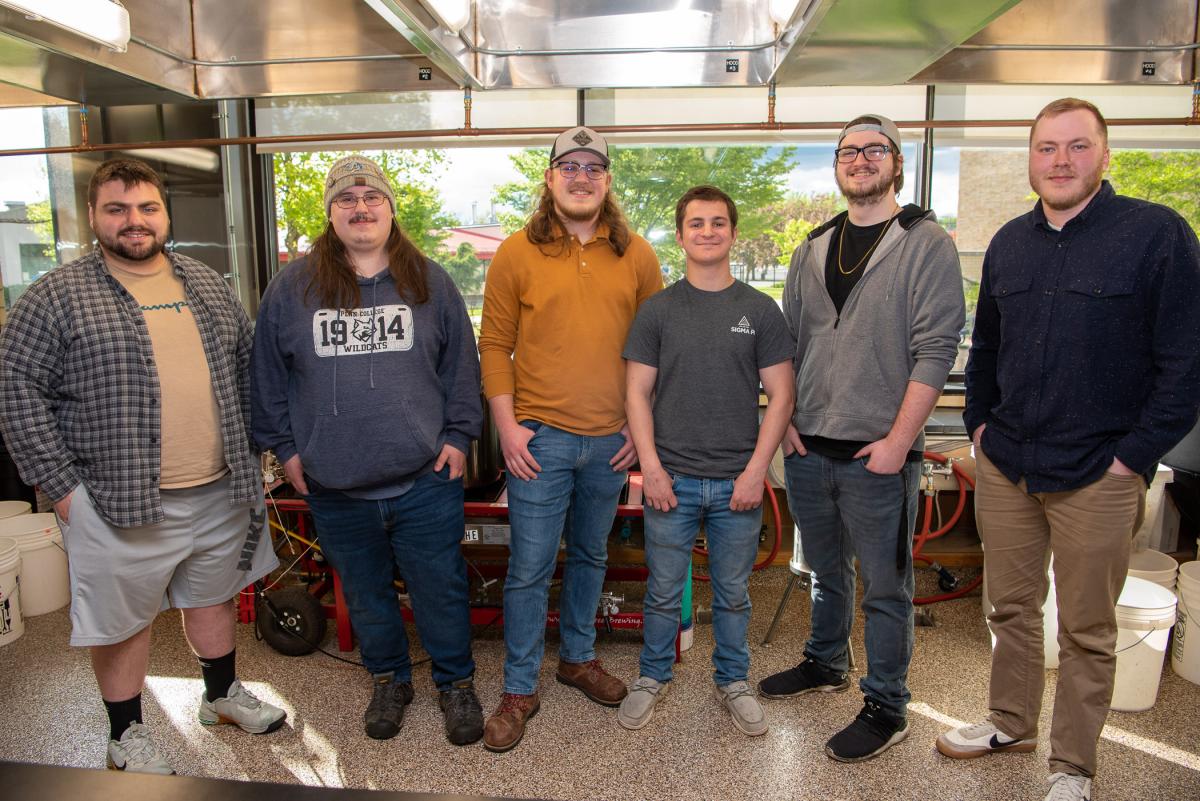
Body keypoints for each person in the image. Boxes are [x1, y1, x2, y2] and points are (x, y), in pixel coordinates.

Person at [937, 98, 1200, 801]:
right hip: (1009, 461)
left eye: (1077, 146)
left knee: (1086, 627)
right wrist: (982, 428)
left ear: (1104, 155)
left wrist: (1133, 455)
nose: (1060, 160)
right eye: (1047, 147)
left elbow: (1186, 364)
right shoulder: (1008, 244)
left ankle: (1072, 766)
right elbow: (986, 347)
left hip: (1100, 473)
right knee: (1011, 609)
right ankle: (1009, 722)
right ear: (1031, 159)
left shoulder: (1157, 236)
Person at [0, 158, 285, 775]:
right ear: (94, 217)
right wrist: (61, 487)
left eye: (147, 208)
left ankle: (221, 698)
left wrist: (254, 458)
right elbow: (18, 391)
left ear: (164, 213)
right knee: (123, 619)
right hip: (114, 497)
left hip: (217, 489)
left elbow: (244, 372)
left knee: (212, 597)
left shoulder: (207, 284)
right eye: (118, 209)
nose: (135, 221)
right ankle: (124, 734)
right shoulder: (57, 295)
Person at [251, 155, 484, 745]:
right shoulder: (292, 289)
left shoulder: (429, 282)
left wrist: (459, 437)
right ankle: (389, 680)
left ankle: (455, 684)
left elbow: (462, 366)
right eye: (346, 199)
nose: (360, 208)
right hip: (335, 484)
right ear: (330, 215)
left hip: (424, 479)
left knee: (441, 588)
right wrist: (288, 451)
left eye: (371, 197)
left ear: (390, 209)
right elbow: (268, 379)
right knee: (366, 593)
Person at [757, 114, 965, 762]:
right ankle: (825, 660)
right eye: (849, 150)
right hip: (811, 450)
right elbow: (785, 345)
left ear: (896, 164)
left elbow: (936, 348)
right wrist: (784, 418)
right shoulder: (812, 247)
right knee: (823, 571)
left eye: (875, 149)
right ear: (838, 165)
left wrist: (901, 441)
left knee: (885, 587)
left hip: (880, 452)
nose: (861, 158)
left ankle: (886, 704)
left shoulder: (925, 242)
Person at [478, 126, 662, 752]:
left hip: (610, 443)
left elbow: (654, 353)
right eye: (568, 166)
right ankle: (519, 687)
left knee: (590, 557)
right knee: (528, 568)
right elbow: (494, 345)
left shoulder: (635, 254)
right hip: (540, 441)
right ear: (550, 177)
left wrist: (642, 433)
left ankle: (577, 660)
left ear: (607, 180)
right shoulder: (515, 253)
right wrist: (507, 429)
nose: (581, 176)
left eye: (593, 167)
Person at [618, 185, 793, 736]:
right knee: (664, 590)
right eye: (697, 223)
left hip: (736, 482)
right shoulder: (658, 311)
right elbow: (635, 395)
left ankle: (733, 680)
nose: (708, 232)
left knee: (735, 592)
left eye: (719, 223)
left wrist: (755, 472)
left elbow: (781, 398)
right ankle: (652, 675)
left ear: (734, 234)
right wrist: (651, 471)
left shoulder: (760, 311)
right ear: (680, 236)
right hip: (672, 480)